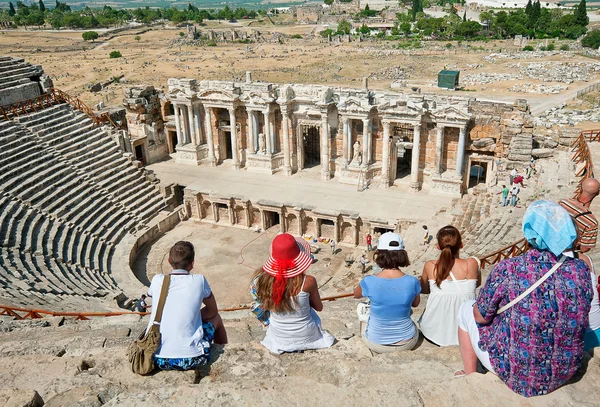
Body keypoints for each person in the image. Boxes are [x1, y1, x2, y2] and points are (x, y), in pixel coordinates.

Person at [457, 201, 593, 397]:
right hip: (564, 370)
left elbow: (480, 317)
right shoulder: (581, 270)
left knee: (465, 309)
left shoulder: (509, 268)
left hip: (515, 372)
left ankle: (471, 377)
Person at [146, 241, 228, 371]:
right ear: (192, 264)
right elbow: (213, 311)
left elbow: (150, 296)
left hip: (155, 357)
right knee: (216, 318)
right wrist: (193, 317)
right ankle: (224, 351)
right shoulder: (199, 280)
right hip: (192, 358)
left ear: (168, 260)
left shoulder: (157, 279)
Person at [252, 233, 335, 354]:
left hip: (278, 336)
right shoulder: (308, 282)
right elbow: (319, 307)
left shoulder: (263, 281)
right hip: (307, 335)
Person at [353, 232, 421, 353]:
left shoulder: (369, 281)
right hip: (407, 343)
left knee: (362, 312)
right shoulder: (413, 281)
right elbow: (415, 304)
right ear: (402, 254)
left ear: (378, 254)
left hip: (376, 343)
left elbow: (356, 294)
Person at [418, 226, 480, 346]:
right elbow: (477, 284)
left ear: (437, 247)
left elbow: (424, 290)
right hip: (466, 333)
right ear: (461, 245)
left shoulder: (430, 265)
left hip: (433, 333)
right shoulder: (472, 263)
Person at [559, 177, 600, 252]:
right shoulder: (592, 223)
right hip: (565, 254)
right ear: (598, 193)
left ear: (580, 189)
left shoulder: (563, 203)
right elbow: (584, 249)